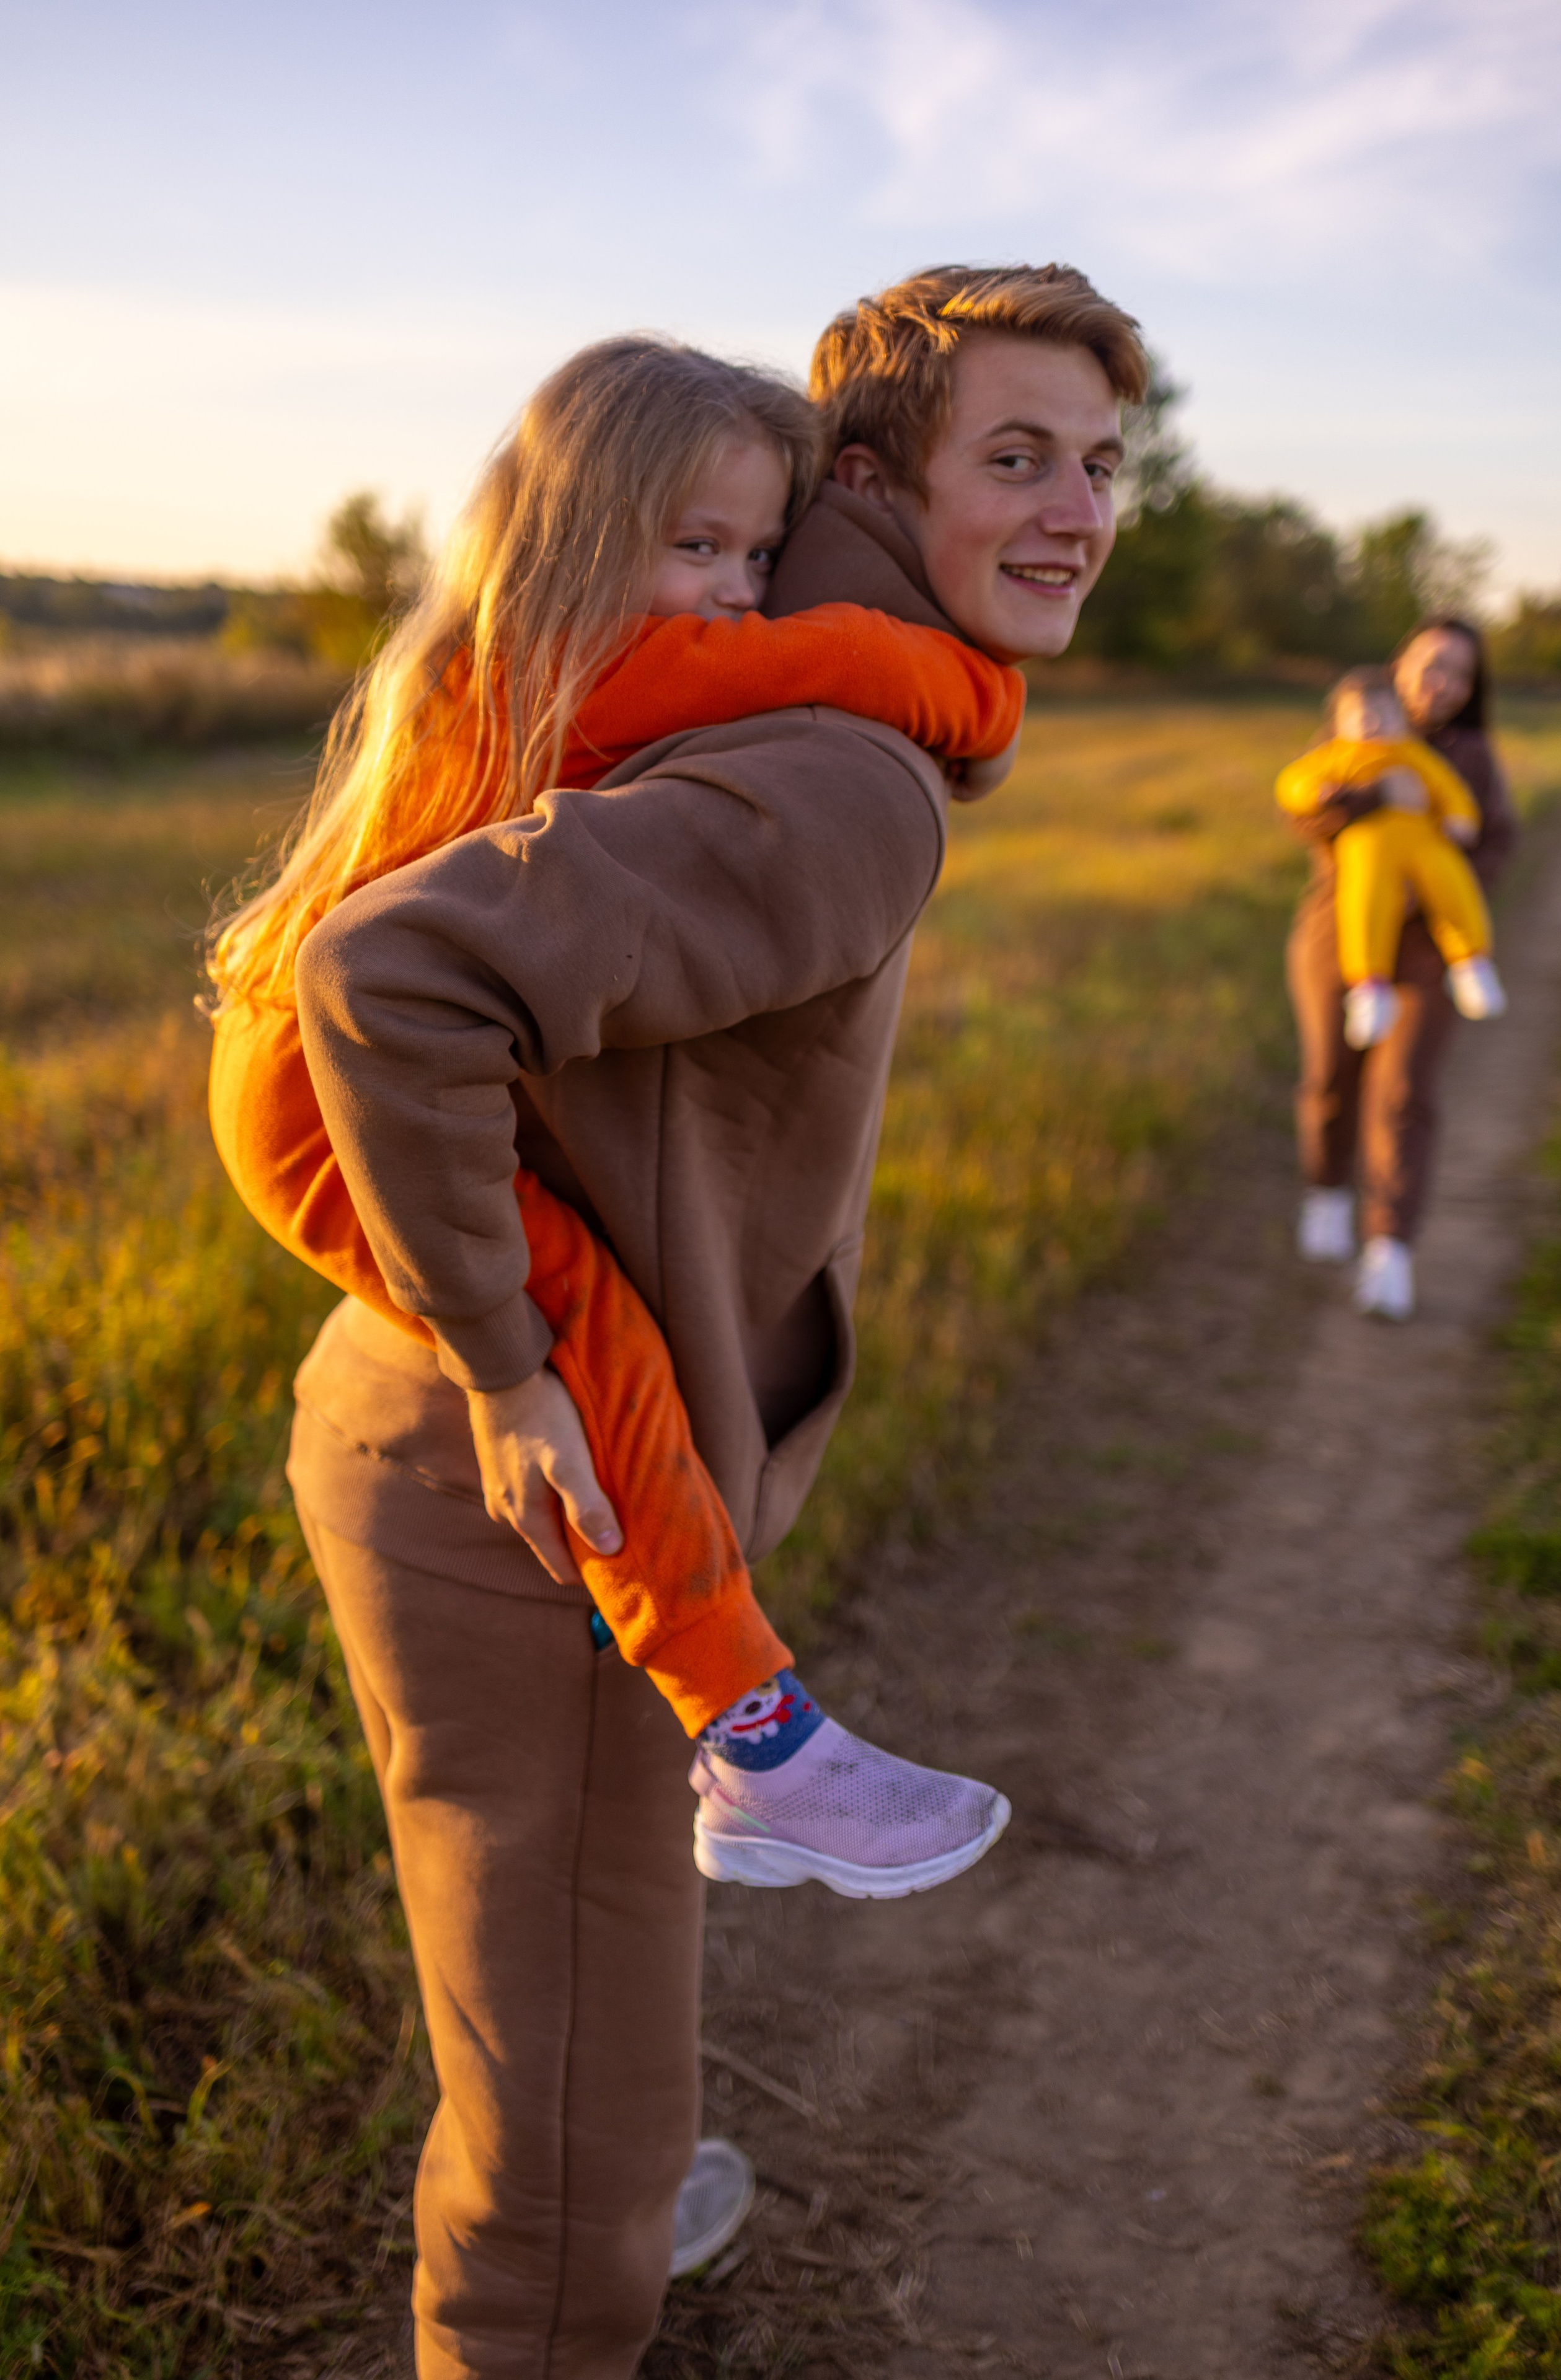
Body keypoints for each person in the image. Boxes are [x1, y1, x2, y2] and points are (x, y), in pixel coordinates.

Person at [211, 263, 1146, 2379]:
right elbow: (390, 983)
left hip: (490, 1422)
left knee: (573, 1962)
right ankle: (563, 2266)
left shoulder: (765, 695)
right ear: (869, 478)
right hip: (521, 1468)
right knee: (570, 2100)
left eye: (1103, 465)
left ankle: (619, 2169)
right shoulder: (849, 769)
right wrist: (506, 1352)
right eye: (1017, 459)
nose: (1081, 510)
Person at [211, 339, 1025, 1902]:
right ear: (580, 542)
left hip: (322, 1064)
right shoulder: (576, 655)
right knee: (575, 1330)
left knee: (596, 1325)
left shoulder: (542, 653)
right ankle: (754, 1732)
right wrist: (964, 688)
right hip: (319, 1098)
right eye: (694, 547)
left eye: (755, 554)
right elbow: (822, 667)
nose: (732, 594)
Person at [1286, 617, 1518, 1321]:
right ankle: (1326, 1188)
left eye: (1458, 672)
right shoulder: (1356, 726)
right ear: (1400, 664)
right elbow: (1306, 814)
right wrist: (1381, 799)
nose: (1439, 682)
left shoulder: (1471, 755)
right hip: (1337, 936)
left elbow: (1494, 841)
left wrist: (1440, 879)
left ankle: (1390, 1248)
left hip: (1424, 949)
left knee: (1405, 1093)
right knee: (1330, 1079)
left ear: (1472, 689)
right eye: (1429, 664)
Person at [1276, 666, 1506, 1052]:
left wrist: (1459, 817)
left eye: (1382, 714)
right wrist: (1316, 793)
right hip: (1367, 851)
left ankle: (1472, 963)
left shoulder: (1414, 754)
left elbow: (1448, 788)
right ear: (1339, 722)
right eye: (1360, 716)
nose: (1371, 722)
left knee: (1454, 888)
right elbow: (1292, 784)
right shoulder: (1336, 756)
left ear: (1401, 718)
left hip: (1425, 843)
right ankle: (1369, 987)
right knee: (1366, 905)